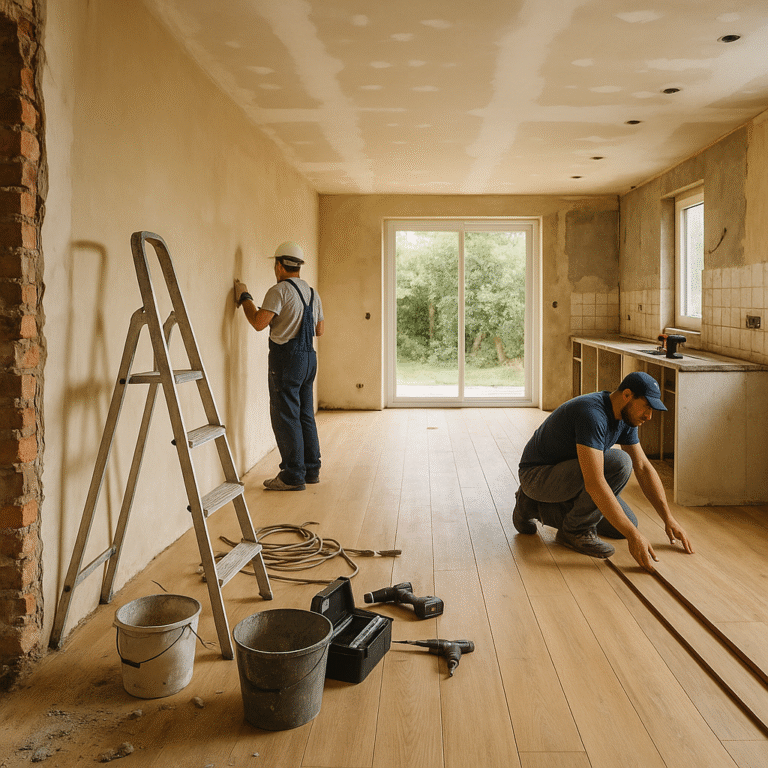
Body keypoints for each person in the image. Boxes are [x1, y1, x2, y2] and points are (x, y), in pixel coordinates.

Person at [514, 371, 694, 572]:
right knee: (620, 462)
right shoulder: (592, 414)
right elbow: (595, 483)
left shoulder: (625, 416)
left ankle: (533, 507)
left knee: (627, 525)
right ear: (627, 395)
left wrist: (668, 518)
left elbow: (643, 467)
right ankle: (573, 530)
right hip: (537, 477)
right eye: (646, 407)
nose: (649, 416)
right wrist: (634, 537)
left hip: (566, 478)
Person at [234, 241, 324, 491]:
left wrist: (245, 297)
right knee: (305, 414)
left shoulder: (279, 290)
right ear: (299, 266)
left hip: (287, 361)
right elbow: (319, 330)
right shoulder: (312, 293)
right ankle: (311, 470)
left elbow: (259, 322)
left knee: (286, 416)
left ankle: (293, 475)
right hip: (309, 360)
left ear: (279, 265)